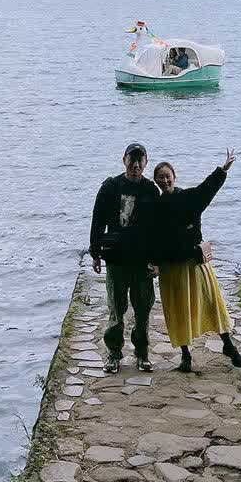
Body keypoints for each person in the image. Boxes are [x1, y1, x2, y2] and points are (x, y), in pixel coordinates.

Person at [151, 149, 241, 372]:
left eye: (168, 176)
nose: (165, 180)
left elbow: (208, 188)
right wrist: (153, 262)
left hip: (194, 264)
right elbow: (151, 237)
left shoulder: (189, 198)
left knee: (212, 304)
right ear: (155, 181)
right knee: (178, 312)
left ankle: (229, 345)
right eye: (160, 177)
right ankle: (185, 356)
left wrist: (222, 170)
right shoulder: (154, 206)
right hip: (170, 268)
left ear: (174, 177)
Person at [89, 142, 160, 373]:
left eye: (140, 160)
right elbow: (97, 221)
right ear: (124, 160)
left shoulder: (150, 190)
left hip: (141, 261)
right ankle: (114, 353)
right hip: (116, 260)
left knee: (143, 309)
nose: (136, 165)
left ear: (146, 163)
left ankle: (142, 353)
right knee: (115, 309)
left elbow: (158, 228)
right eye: (132, 159)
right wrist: (95, 253)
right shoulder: (110, 187)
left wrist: (156, 260)